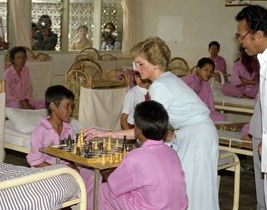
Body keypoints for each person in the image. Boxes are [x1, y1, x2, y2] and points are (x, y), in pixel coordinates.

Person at [86, 37, 219, 210]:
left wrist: (104, 134)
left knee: (194, 191)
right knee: (194, 191)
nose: (136, 69)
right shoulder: (168, 79)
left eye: (140, 64)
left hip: (197, 137)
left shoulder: (160, 86)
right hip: (198, 133)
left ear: (155, 64)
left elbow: (145, 129)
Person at [99, 100, 188, 210]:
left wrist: (107, 174)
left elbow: (114, 185)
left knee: (104, 190)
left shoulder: (135, 157)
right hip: (179, 207)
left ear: (137, 129)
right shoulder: (172, 153)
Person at [26, 85, 99, 210]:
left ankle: (87, 206)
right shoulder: (41, 131)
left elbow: (71, 152)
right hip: (46, 170)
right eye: (67, 106)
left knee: (93, 175)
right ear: (53, 106)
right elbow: (35, 161)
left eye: (71, 106)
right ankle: (65, 205)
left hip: (66, 168)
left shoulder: (68, 128)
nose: (70, 111)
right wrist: (63, 169)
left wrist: (74, 164)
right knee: (63, 183)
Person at [235, 5, 267, 210]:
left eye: (241, 36)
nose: (240, 42)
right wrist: (265, 141)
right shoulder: (266, 60)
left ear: (259, 35)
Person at [182, 57, 228, 122]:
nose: (208, 73)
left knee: (222, 117)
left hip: (202, 112)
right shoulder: (188, 80)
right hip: (188, 113)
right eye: (206, 70)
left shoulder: (206, 84)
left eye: (210, 72)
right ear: (198, 69)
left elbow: (210, 105)